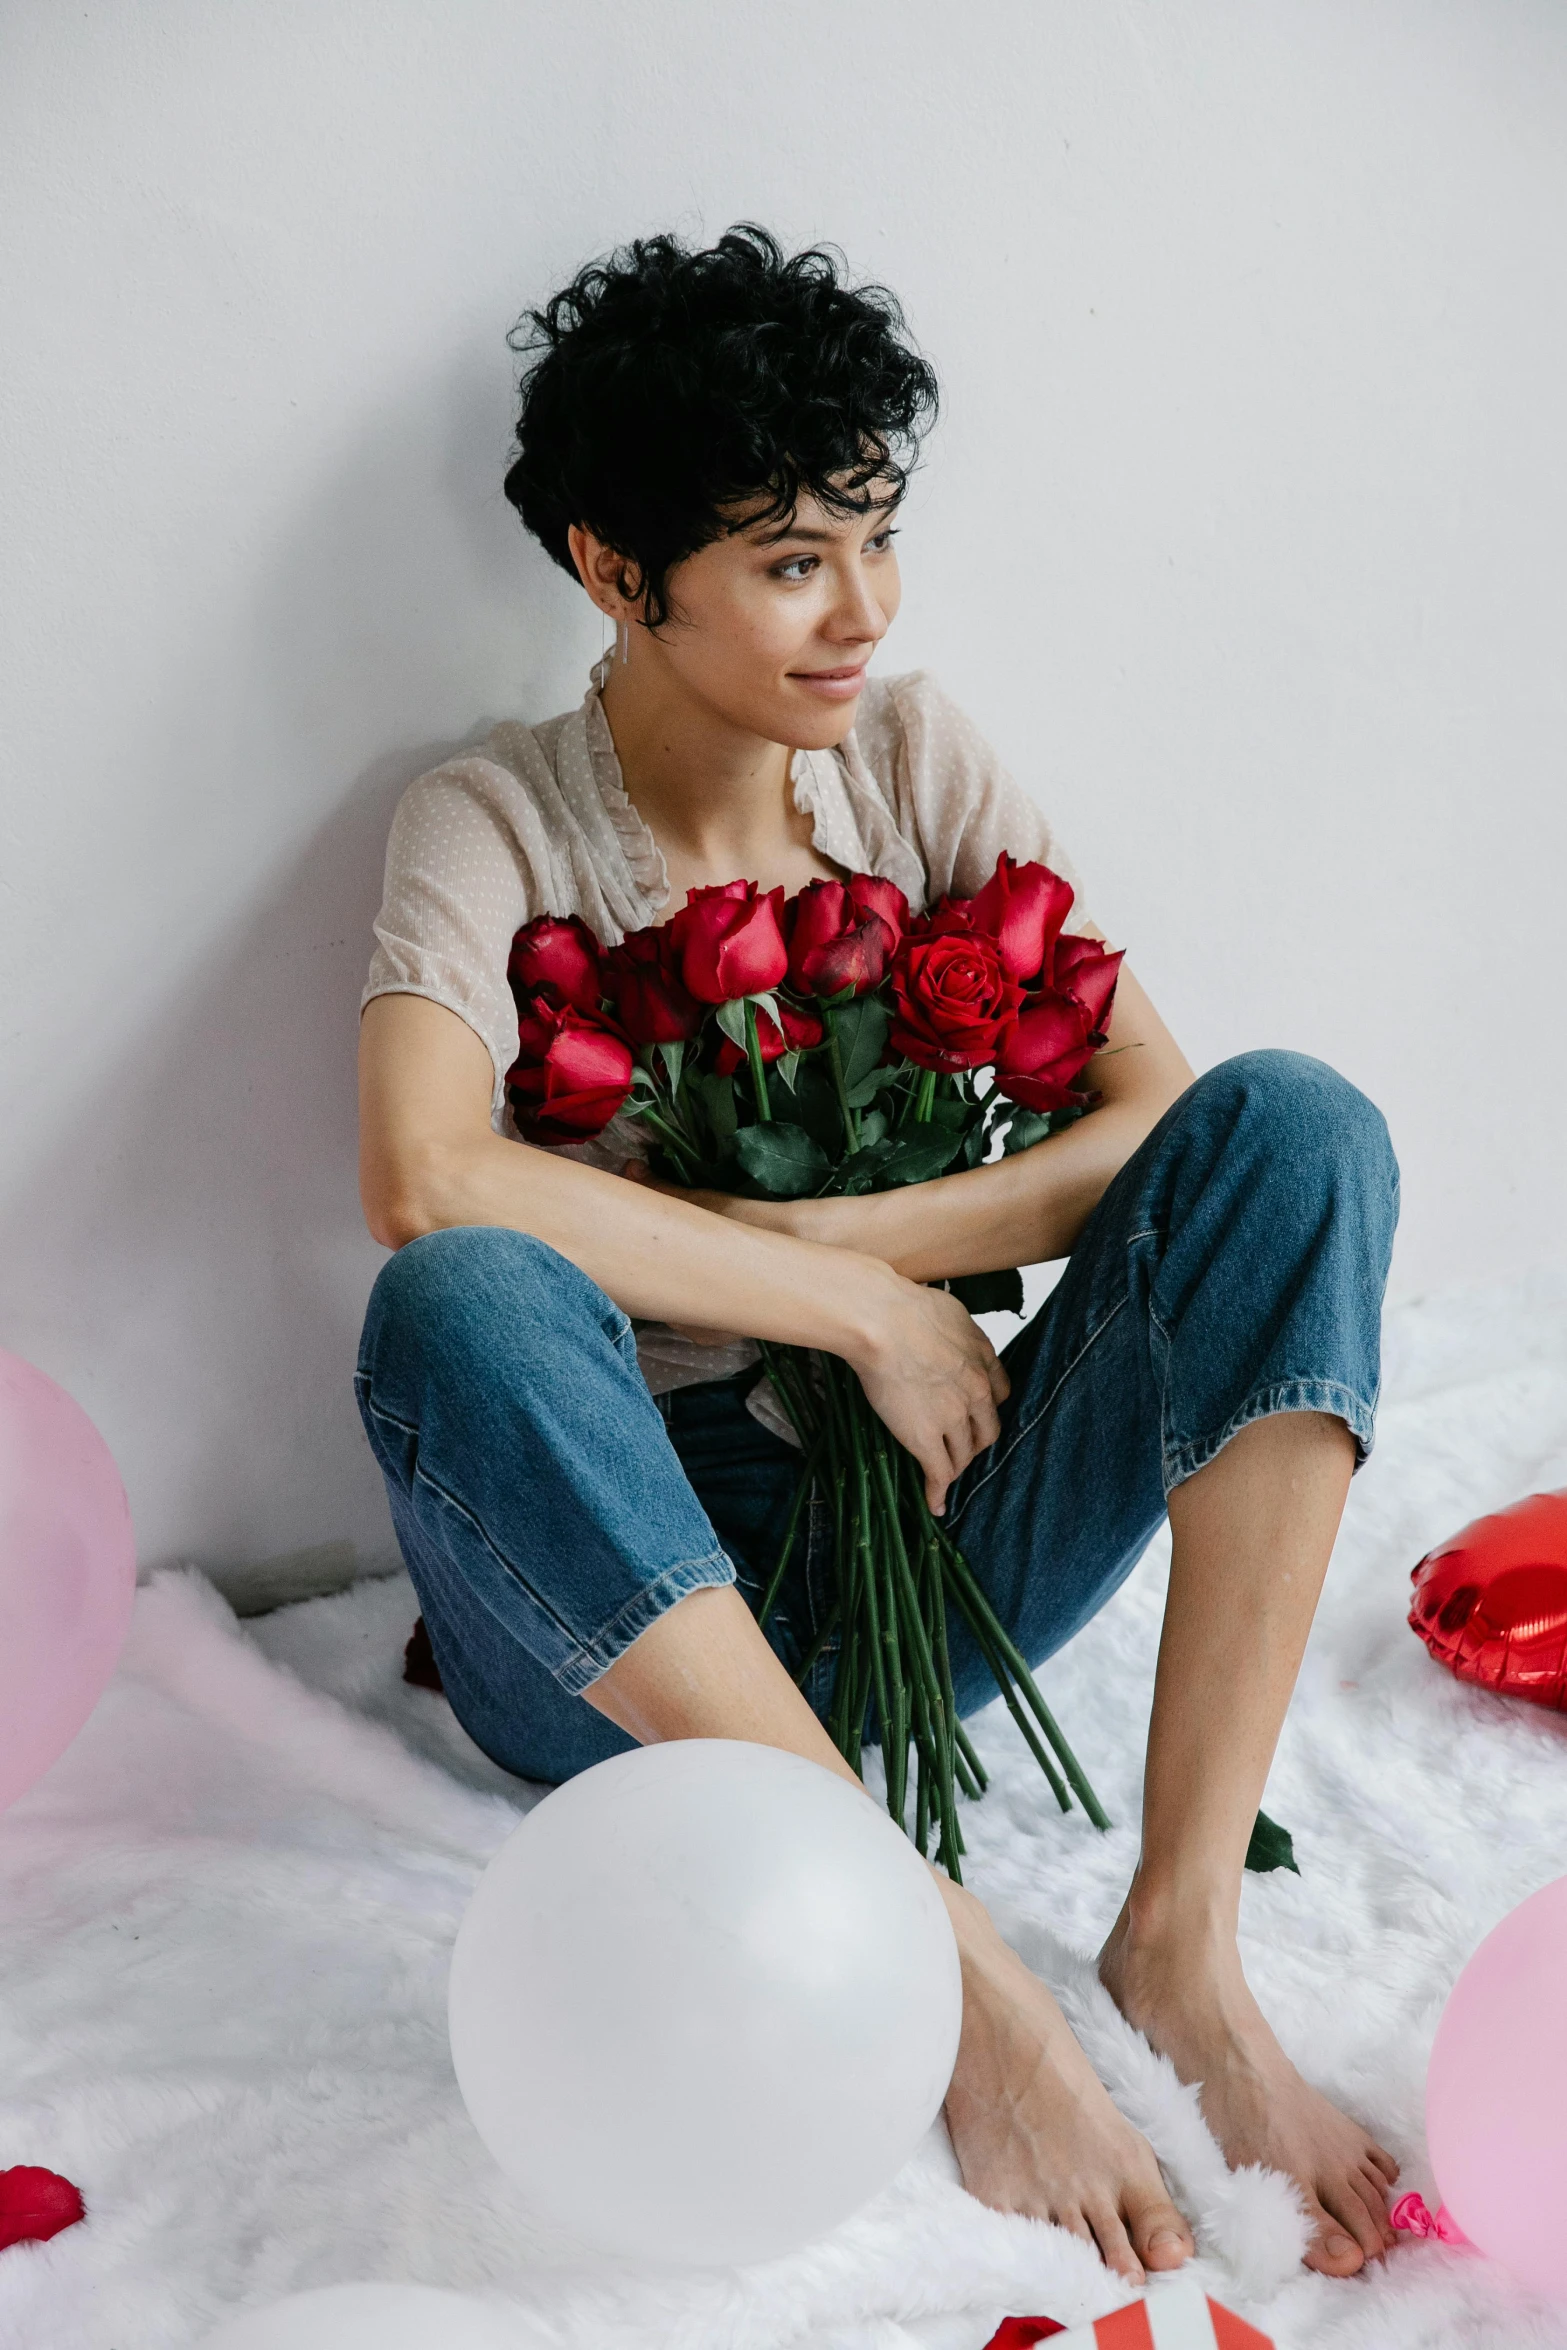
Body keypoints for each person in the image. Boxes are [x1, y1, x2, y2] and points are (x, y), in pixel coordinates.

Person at [355, 225, 1402, 2286]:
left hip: (942, 1530)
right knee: (455, 1307)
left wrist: (852, 1238)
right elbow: (421, 1169)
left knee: (1302, 1129)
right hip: (621, 1637)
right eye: (788, 557)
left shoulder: (912, 758)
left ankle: (1180, 1932)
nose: (861, 610)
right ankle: (970, 1984)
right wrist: (845, 1302)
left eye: (876, 537)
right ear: (611, 567)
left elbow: (1159, 1131)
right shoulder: (490, 817)